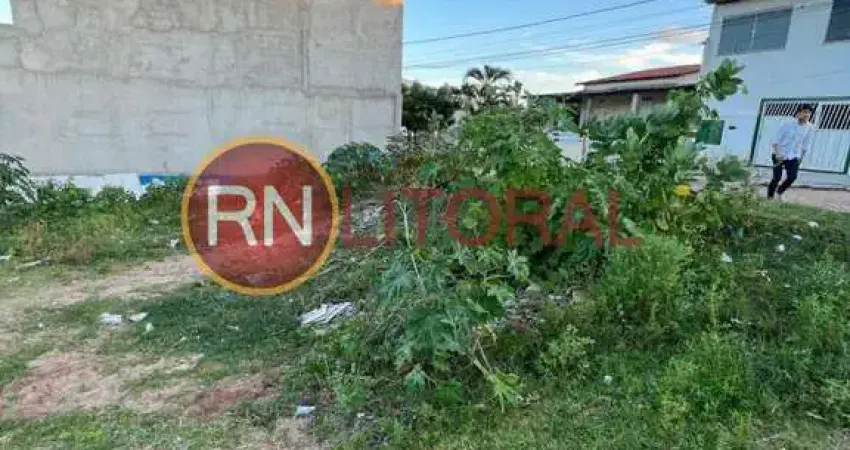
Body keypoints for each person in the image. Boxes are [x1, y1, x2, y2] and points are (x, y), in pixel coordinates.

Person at [768, 104, 815, 200]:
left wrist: (801, 158)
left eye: (809, 113)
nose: (806, 115)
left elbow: (805, 145)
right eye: (804, 112)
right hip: (779, 154)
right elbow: (775, 140)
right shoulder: (787, 124)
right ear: (798, 113)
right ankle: (770, 197)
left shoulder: (810, 127)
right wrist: (777, 154)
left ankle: (779, 192)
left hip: (793, 156)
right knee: (777, 177)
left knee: (792, 177)